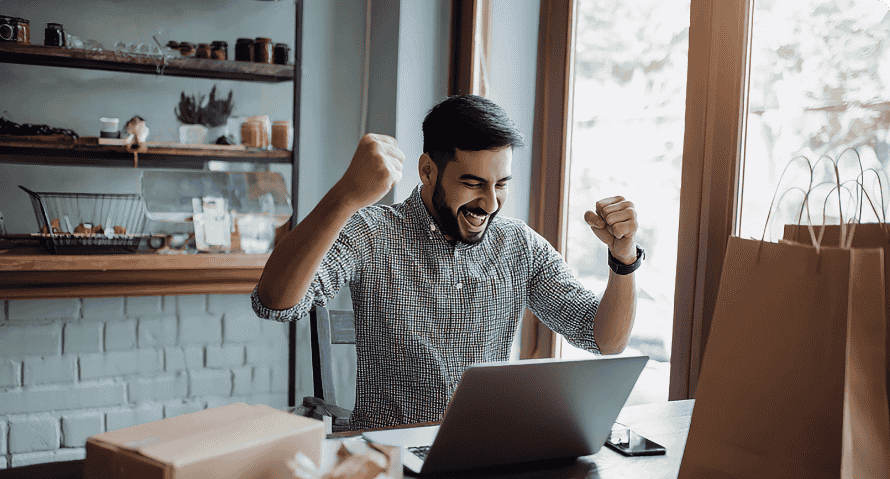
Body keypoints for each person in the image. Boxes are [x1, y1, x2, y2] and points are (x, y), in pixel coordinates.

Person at [253, 94, 639, 429]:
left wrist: (623, 259)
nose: (490, 204)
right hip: (391, 461)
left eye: (501, 184)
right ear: (427, 171)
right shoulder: (371, 232)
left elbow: (605, 340)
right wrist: (347, 196)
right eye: (473, 183)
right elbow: (274, 303)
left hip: (486, 458)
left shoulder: (519, 244)